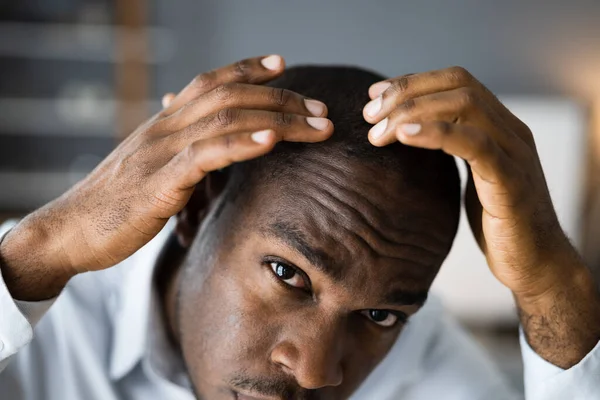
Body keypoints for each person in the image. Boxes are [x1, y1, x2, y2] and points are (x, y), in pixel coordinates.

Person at [0, 55, 598, 400]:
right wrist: (38, 250)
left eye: (380, 315)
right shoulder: (33, 299)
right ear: (197, 210)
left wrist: (551, 285)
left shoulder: (424, 365)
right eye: (289, 274)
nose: (316, 372)